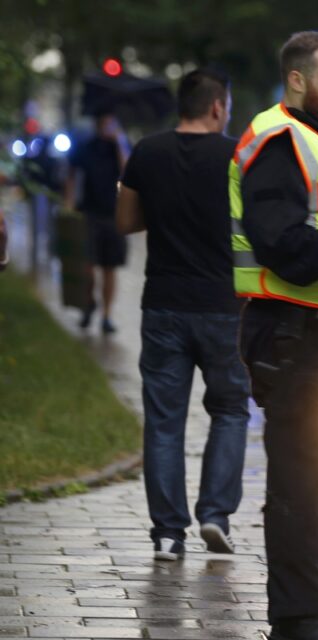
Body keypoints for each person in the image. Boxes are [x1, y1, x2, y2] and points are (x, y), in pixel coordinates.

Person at [230, 31, 318, 640]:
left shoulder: (315, 141)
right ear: (298, 80)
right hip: (287, 330)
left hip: (303, 332)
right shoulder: (281, 140)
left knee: (312, 479)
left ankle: (305, 614)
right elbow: (283, 243)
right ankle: (299, 621)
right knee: (301, 483)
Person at [115, 68, 250, 563]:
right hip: (224, 307)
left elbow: (126, 221)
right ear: (218, 106)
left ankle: (169, 534)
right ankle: (215, 515)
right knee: (232, 411)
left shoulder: (147, 152)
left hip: (164, 305)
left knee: (165, 422)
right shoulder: (238, 155)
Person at [65, 111, 130, 333]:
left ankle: (107, 315)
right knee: (87, 267)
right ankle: (88, 304)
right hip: (88, 213)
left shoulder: (120, 146)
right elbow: (71, 174)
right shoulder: (86, 146)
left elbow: (127, 172)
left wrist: (119, 142)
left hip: (114, 215)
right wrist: (69, 203)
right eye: (105, 122)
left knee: (110, 268)